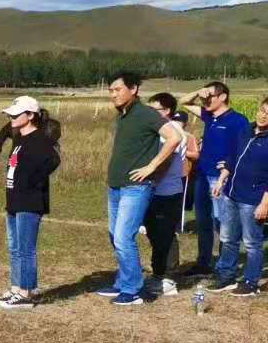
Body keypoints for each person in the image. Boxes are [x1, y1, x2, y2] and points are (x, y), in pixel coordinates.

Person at [101, 71, 182, 306]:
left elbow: (174, 137)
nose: (113, 94)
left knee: (124, 237)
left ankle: (133, 290)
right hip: (116, 187)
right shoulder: (124, 115)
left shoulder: (146, 113)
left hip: (135, 188)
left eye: (118, 89)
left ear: (134, 89)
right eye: (111, 90)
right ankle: (123, 282)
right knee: (116, 236)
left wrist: (152, 166)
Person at [179, 81, 252, 276]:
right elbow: (183, 101)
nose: (205, 99)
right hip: (202, 177)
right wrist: (199, 91)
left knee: (224, 224)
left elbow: (243, 148)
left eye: (210, 95)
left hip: (221, 178)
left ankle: (224, 266)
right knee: (204, 223)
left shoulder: (238, 121)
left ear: (223, 97)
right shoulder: (209, 116)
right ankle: (203, 264)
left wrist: (228, 166)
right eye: (205, 96)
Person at [0, 97, 59, 309]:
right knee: (14, 247)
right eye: (10, 114)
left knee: (26, 249)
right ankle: (16, 288)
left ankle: (26, 293)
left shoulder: (40, 139)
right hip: (14, 201)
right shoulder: (20, 139)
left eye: (16, 114)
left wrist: (33, 182)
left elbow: (54, 160)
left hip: (30, 202)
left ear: (30, 115)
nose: (11, 118)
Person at [206, 96, 268, 296]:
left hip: (253, 199)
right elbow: (232, 158)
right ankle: (227, 276)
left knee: (252, 243)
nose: (263, 116)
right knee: (228, 238)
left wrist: (265, 204)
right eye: (262, 110)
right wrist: (221, 180)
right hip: (231, 194)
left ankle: (251, 282)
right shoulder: (246, 130)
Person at [143, 93, 191, 297]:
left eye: (155, 110)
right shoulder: (157, 129)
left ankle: (168, 277)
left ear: (167, 111)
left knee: (166, 234)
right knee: (154, 233)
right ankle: (158, 273)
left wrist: (151, 181)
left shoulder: (172, 130)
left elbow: (167, 160)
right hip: (156, 190)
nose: (150, 113)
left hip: (167, 192)